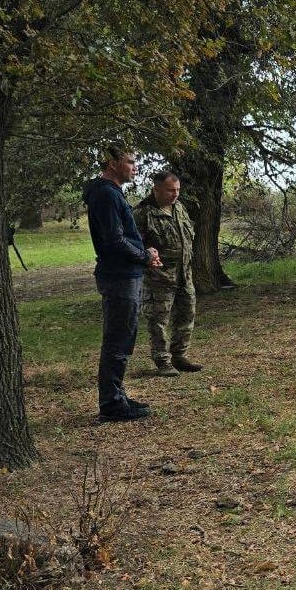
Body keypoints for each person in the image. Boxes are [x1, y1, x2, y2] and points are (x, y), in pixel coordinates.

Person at [82, 146, 161, 422]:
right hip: (118, 277)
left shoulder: (111, 192)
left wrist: (144, 254)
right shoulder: (104, 193)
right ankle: (112, 404)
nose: (134, 167)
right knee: (117, 339)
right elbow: (114, 240)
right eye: (129, 162)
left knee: (124, 337)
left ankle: (118, 396)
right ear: (113, 163)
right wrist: (144, 256)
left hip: (126, 275)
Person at [134, 171, 202, 377]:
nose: (175, 194)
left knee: (186, 315)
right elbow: (134, 244)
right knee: (158, 321)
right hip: (159, 279)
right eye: (170, 190)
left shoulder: (179, 208)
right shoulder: (142, 213)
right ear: (156, 189)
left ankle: (179, 356)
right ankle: (163, 361)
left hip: (184, 275)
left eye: (178, 190)